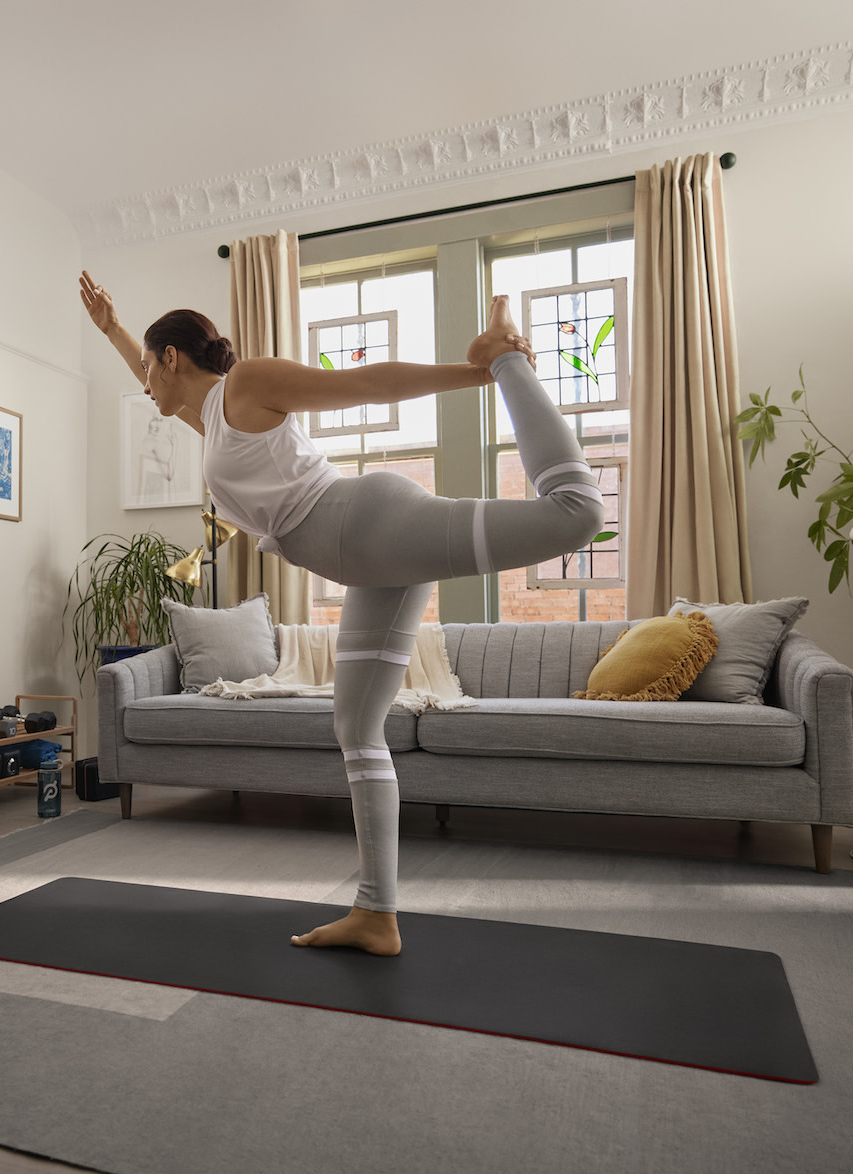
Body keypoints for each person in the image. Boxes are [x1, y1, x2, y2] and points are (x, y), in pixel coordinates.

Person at [79, 270, 604, 956]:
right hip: (366, 558)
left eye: (150, 364)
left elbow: (366, 387)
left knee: (575, 514)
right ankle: (376, 915)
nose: (144, 382)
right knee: (356, 725)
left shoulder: (247, 383)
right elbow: (150, 377)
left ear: (173, 357)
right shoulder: (208, 418)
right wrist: (116, 330)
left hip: (372, 527)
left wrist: (483, 373)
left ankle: (505, 352)